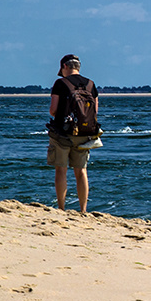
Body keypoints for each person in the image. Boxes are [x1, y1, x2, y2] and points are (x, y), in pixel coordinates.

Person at [47, 54, 102, 212]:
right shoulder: (91, 84)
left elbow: (53, 110)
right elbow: (95, 111)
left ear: (65, 66)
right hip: (85, 133)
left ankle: (61, 207)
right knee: (81, 171)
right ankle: (83, 209)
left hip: (62, 133)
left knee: (61, 169)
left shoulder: (60, 83)